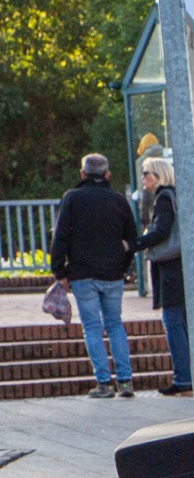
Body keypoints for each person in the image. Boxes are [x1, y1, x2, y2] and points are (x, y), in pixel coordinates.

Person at [50, 153, 139, 398]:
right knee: (115, 324)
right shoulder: (119, 201)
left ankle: (103, 383)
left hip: (82, 274)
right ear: (107, 175)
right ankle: (125, 381)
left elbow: (60, 238)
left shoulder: (72, 199)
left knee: (91, 327)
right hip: (113, 274)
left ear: (82, 174)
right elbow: (132, 240)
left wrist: (60, 271)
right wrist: (123, 266)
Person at [134, 156, 192, 396]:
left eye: (146, 173)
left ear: (158, 175)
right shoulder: (174, 195)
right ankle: (189, 376)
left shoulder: (164, 198)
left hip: (170, 270)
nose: (143, 178)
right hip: (180, 267)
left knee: (172, 322)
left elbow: (161, 231)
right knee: (183, 323)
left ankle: (183, 378)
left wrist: (135, 244)